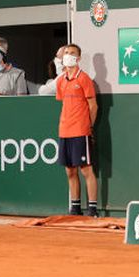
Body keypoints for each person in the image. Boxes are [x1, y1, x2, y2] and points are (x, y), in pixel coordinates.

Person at [56, 43, 99, 217]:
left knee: (86, 170)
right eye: (66, 53)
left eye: (72, 53)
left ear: (78, 58)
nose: (68, 55)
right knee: (70, 171)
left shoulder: (84, 78)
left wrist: (89, 127)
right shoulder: (60, 81)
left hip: (81, 130)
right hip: (64, 130)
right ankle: (75, 208)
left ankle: (93, 209)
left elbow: (93, 106)